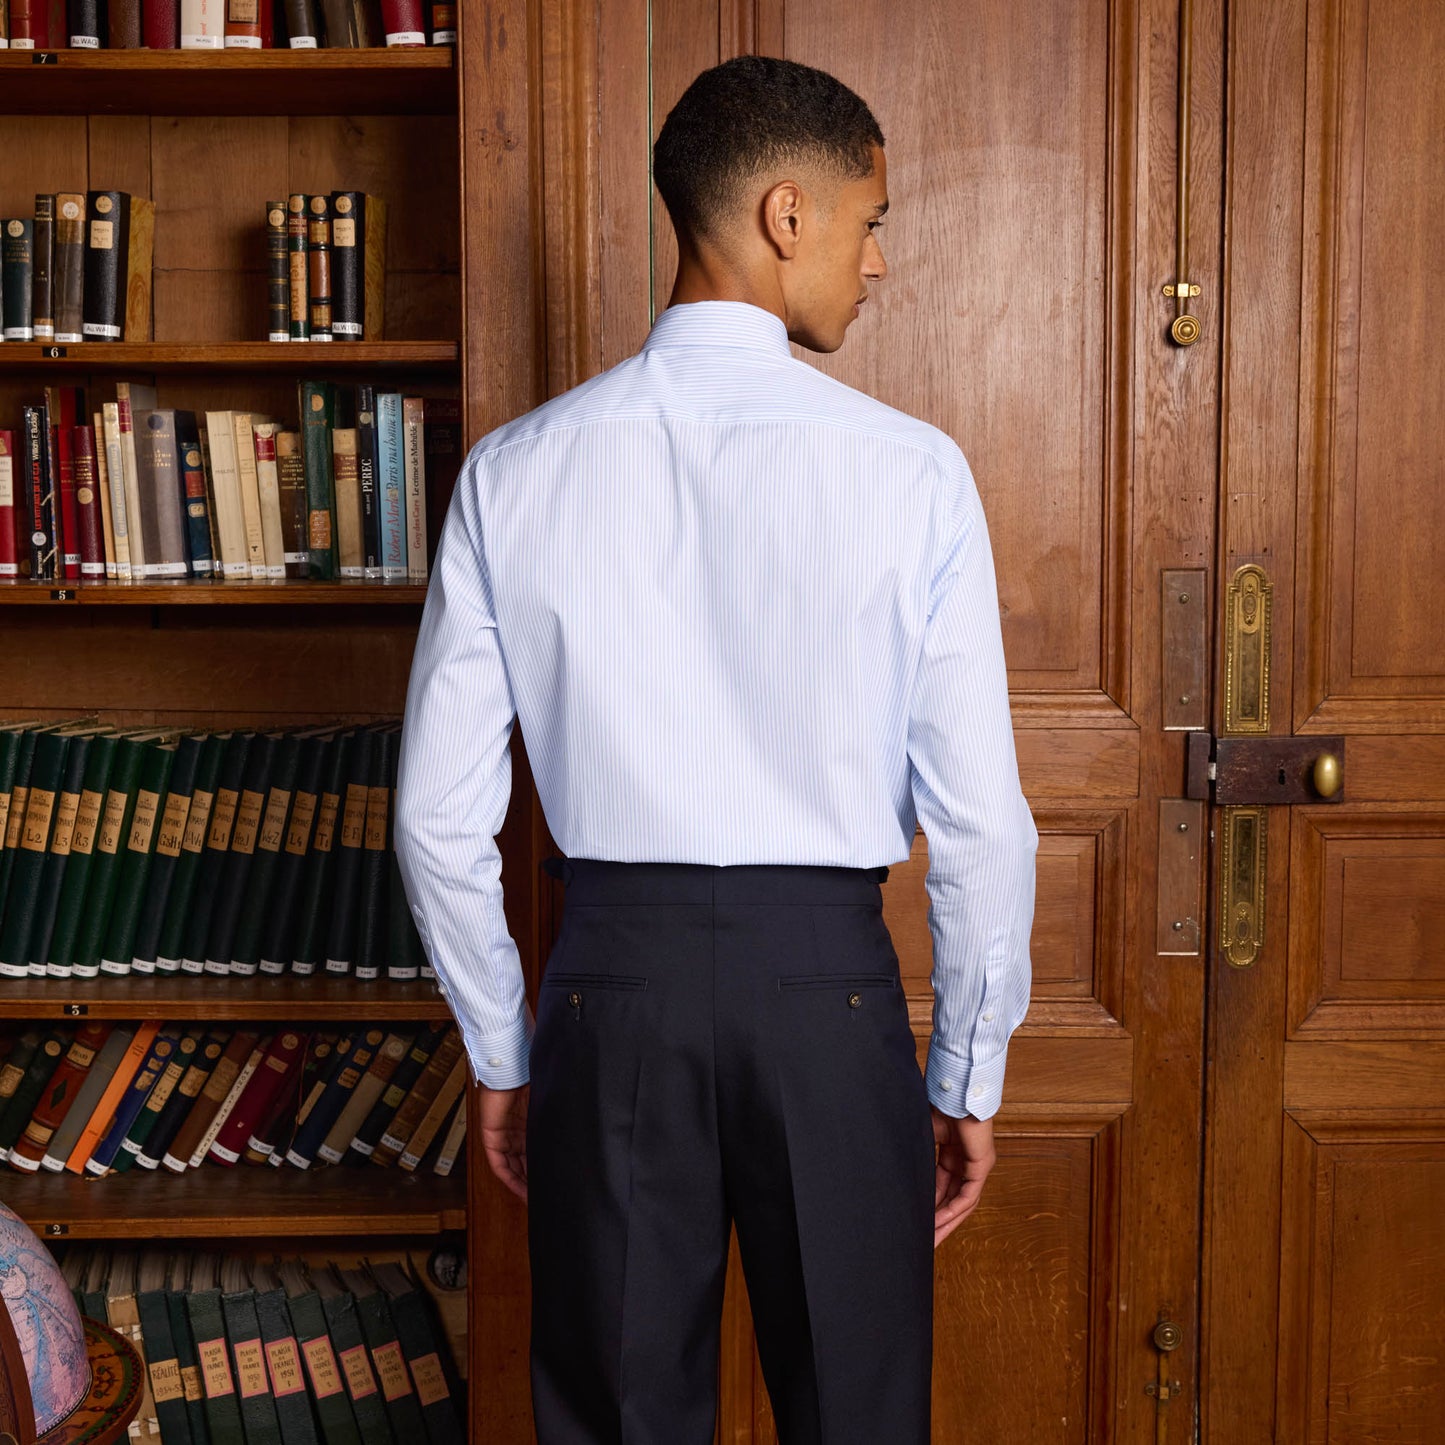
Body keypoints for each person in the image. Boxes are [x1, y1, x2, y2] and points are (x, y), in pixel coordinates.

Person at [394, 54, 1037, 1445]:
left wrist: (504, 1048)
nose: (878, 263)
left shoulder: (513, 468)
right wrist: (965, 1073)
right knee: (856, 1415)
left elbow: (439, 821)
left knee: (618, 1421)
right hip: (829, 1001)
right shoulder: (910, 470)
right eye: (870, 222)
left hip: (606, 993)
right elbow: (983, 824)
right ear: (785, 216)